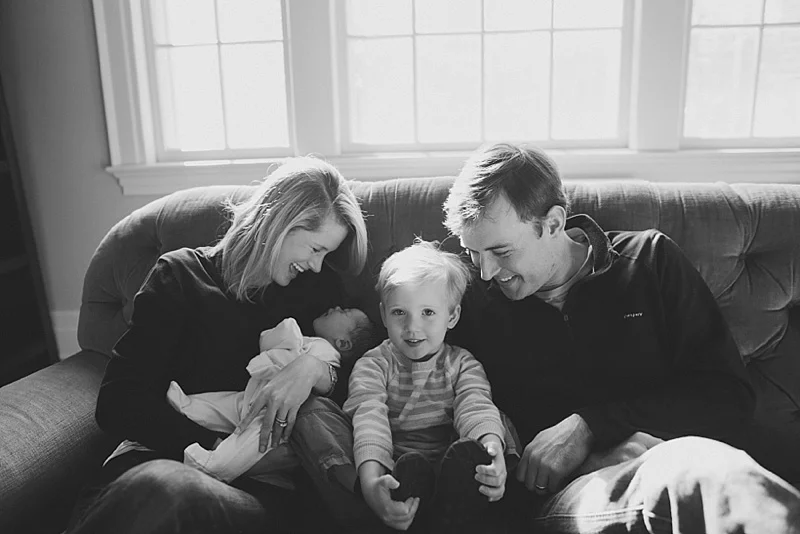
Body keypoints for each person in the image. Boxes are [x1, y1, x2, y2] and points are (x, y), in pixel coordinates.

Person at [443, 142, 800, 533]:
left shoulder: (649, 261)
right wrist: (591, 462)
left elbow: (728, 397)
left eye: (501, 251)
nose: (486, 272)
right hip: (566, 500)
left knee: (703, 475)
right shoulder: (471, 299)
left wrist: (592, 426)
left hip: (676, 462)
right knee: (694, 478)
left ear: (553, 223)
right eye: (473, 252)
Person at [66, 156, 370, 534]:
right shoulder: (179, 276)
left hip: (255, 491)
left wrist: (312, 369)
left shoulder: (315, 291)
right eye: (315, 249)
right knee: (160, 486)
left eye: (326, 254)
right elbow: (118, 403)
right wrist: (218, 449)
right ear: (280, 223)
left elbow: (357, 390)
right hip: (157, 463)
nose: (317, 265)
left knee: (167, 489)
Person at [343, 239, 519, 533]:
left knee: (495, 424)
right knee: (398, 461)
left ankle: (468, 493)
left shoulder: (462, 363)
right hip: (398, 466)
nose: (412, 327)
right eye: (399, 312)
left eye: (428, 312)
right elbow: (369, 418)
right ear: (383, 314)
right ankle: (410, 506)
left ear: (452, 316)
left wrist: (491, 447)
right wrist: (372, 481)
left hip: (454, 463)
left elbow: (474, 403)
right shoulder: (374, 365)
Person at [167, 307, 380, 485]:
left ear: (343, 343)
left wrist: (289, 329)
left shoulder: (326, 353)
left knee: (249, 441)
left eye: (345, 312)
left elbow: (288, 349)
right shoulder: (311, 340)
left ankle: (214, 467)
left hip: (273, 412)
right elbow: (270, 342)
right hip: (253, 393)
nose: (336, 307)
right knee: (222, 404)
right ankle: (188, 405)